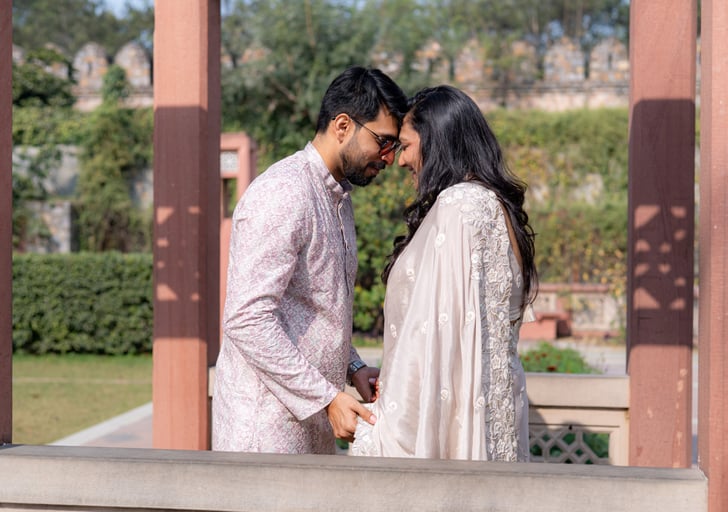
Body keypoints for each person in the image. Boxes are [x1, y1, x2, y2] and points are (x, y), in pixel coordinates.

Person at [212, 66, 409, 454]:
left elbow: (316, 312)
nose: (389, 158)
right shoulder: (283, 192)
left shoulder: (338, 198)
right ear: (342, 126)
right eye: (383, 142)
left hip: (310, 426)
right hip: (264, 431)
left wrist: (354, 368)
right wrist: (326, 397)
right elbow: (247, 319)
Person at [349, 85, 538, 461]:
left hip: (457, 436)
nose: (400, 160)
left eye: (406, 146)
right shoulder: (497, 206)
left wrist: (382, 429)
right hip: (496, 431)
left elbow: (432, 341)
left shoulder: (459, 206)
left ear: (437, 141)